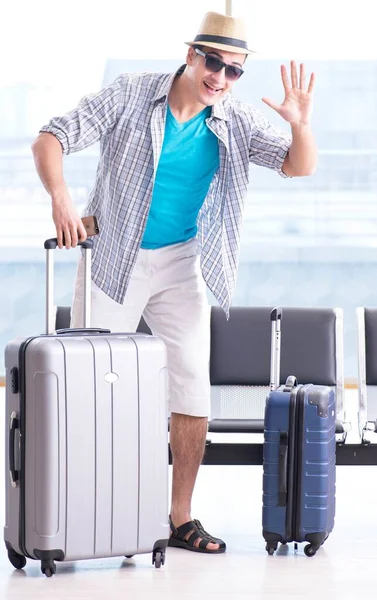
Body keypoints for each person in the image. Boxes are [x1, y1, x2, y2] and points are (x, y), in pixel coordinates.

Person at [31, 11, 316, 554]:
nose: (220, 78)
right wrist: (62, 200)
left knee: (191, 385)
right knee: (90, 387)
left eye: (234, 71)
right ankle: (85, 512)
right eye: (213, 63)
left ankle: (178, 517)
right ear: (191, 56)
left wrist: (300, 124)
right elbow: (52, 137)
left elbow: (298, 166)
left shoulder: (233, 120)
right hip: (114, 256)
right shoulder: (132, 95)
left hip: (182, 262)